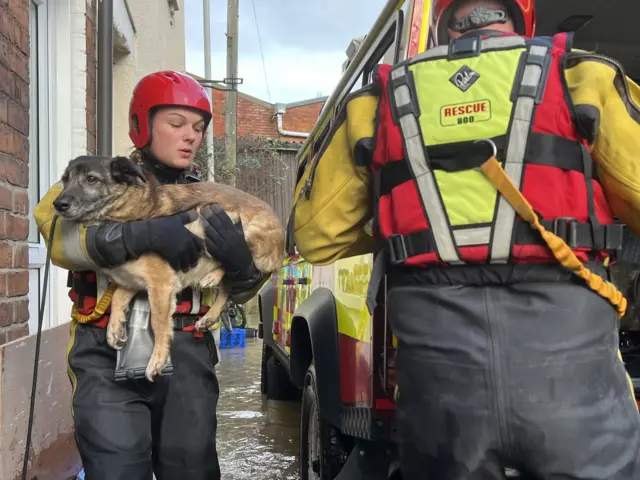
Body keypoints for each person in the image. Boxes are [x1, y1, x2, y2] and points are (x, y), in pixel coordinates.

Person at [291, 0, 640, 478]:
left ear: (442, 26)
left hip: (442, 401)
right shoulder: (584, 78)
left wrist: (408, 223)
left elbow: (315, 237)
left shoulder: (377, 101)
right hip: (574, 388)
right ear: (522, 19)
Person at [34, 70, 266, 480]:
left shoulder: (217, 198)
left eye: (197, 127)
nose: (190, 136)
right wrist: (140, 234)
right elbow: (56, 237)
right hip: (105, 352)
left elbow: (246, 289)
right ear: (141, 125)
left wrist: (243, 269)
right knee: (117, 470)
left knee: (191, 470)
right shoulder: (92, 176)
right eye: (176, 124)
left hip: (189, 349)